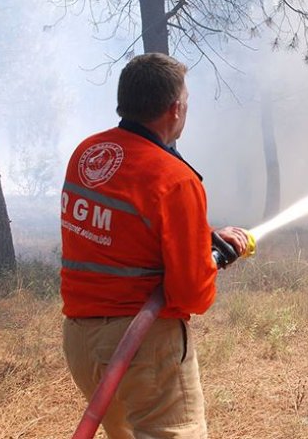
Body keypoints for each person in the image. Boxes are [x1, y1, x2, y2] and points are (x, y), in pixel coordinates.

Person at [60, 53, 248, 438]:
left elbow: (128, 229)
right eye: (187, 102)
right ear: (175, 109)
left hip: (81, 342)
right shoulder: (175, 179)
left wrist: (201, 237)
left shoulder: (88, 154)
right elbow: (191, 295)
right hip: (141, 349)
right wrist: (208, 262)